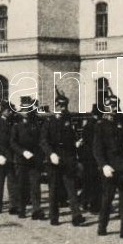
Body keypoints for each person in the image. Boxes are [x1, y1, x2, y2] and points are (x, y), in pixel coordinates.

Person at [93, 94, 123, 238]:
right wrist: (103, 165)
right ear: (105, 107)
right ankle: (102, 226)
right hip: (110, 167)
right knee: (107, 199)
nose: (112, 108)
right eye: (109, 106)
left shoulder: (122, 122)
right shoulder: (100, 125)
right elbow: (97, 149)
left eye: (114, 105)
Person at [39, 90, 84, 227]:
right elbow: (43, 141)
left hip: (68, 159)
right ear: (57, 106)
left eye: (66, 106)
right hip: (54, 160)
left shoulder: (68, 121)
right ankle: (54, 217)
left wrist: (76, 143)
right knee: (54, 189)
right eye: (62, 106)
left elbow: (72, 138)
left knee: (71, 188)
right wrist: (51, 154)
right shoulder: (49, 122)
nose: (64, 109)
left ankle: (76, 215)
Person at [10, 96, 44, 220]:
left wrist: (39, 156)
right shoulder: (16, 127)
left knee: (35, 185)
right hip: (21, 160)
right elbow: (13, 143)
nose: (26, 113)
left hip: (34, 160)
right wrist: (23, 152)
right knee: (22, 186)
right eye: (24, 111)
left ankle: (37, 209)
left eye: (28, 110)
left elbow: (41, 141)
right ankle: (22, 209)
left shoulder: (35, 125)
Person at [0, 100, 17, 214]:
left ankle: (13, 206)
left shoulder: (12, 124)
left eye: (10, 110)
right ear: (3, 111)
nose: (9, 112)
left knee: (12, 183)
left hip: (10, 158)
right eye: (7, 110)